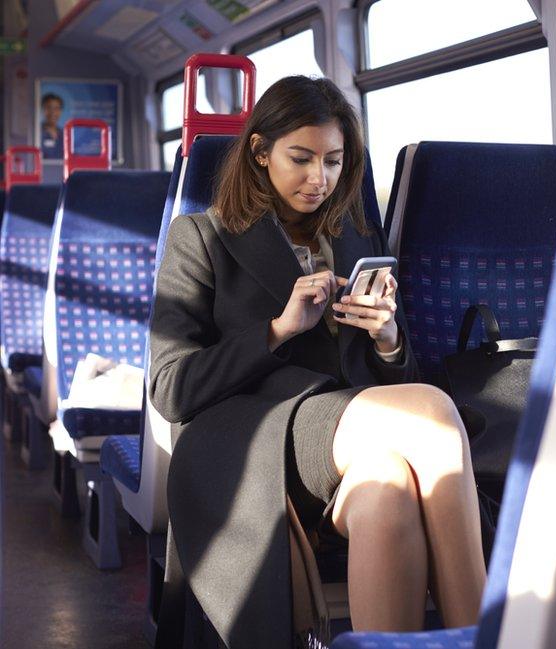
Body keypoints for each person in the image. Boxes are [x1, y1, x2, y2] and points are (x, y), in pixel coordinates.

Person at [149, 76, 486, 649]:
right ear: (260, 152)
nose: (319, 179)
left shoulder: (354, 236)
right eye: (300, 159)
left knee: (389, 490)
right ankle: (488, 636)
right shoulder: (201, 237)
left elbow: (385, 389)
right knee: (432, 412)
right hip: (248, 437)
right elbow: (172, 387)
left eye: (333, 161)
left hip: (343, 437)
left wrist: (386, 338)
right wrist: (278, 330)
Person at [39, 92, 64, 159]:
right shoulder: (37, 133)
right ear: (43, 110)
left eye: (56, 108)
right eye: (49, 107)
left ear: (60, 111)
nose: (52, 112)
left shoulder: (64, 134)